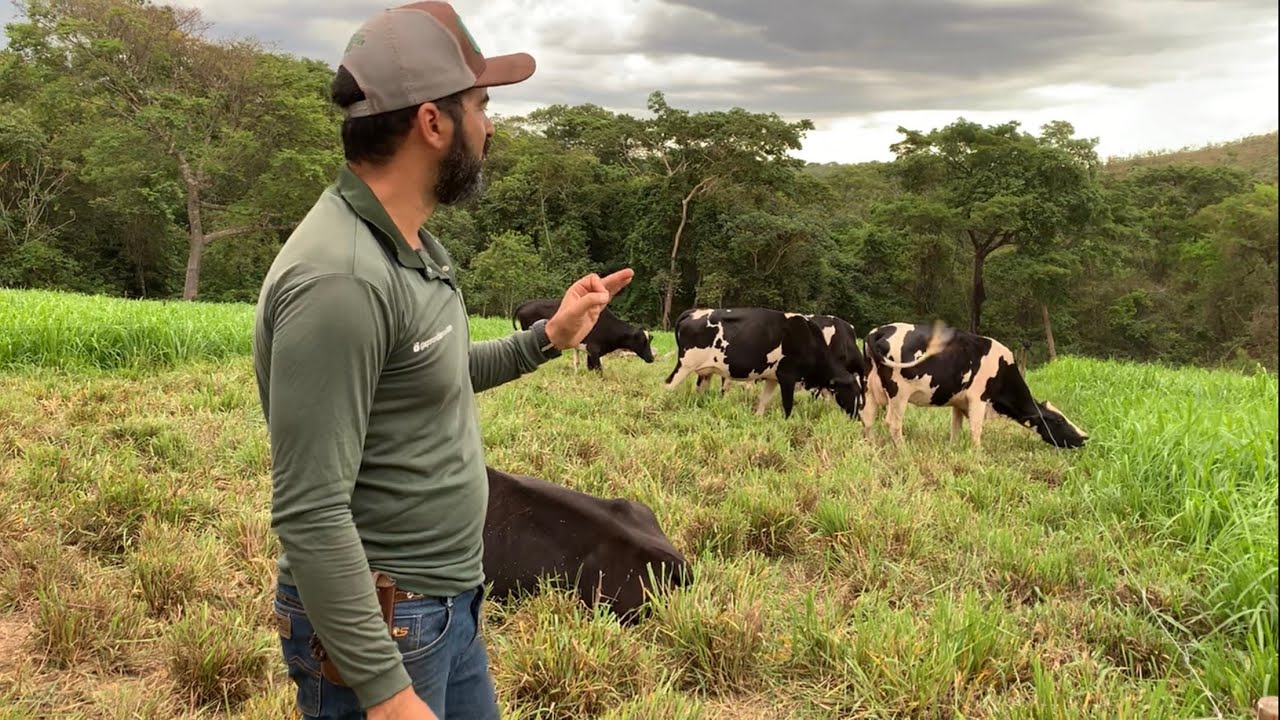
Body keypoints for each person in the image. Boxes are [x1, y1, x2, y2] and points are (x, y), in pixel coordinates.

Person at [251, 3, 633, 719]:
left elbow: (432, 373)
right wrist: (389, 695)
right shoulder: (341, 280)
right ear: (432, 123)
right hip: (386, 623)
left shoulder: (414, 248)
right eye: (480, 105)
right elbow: (309, 512)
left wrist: (546, 337)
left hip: (445, 606)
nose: (489, 126)